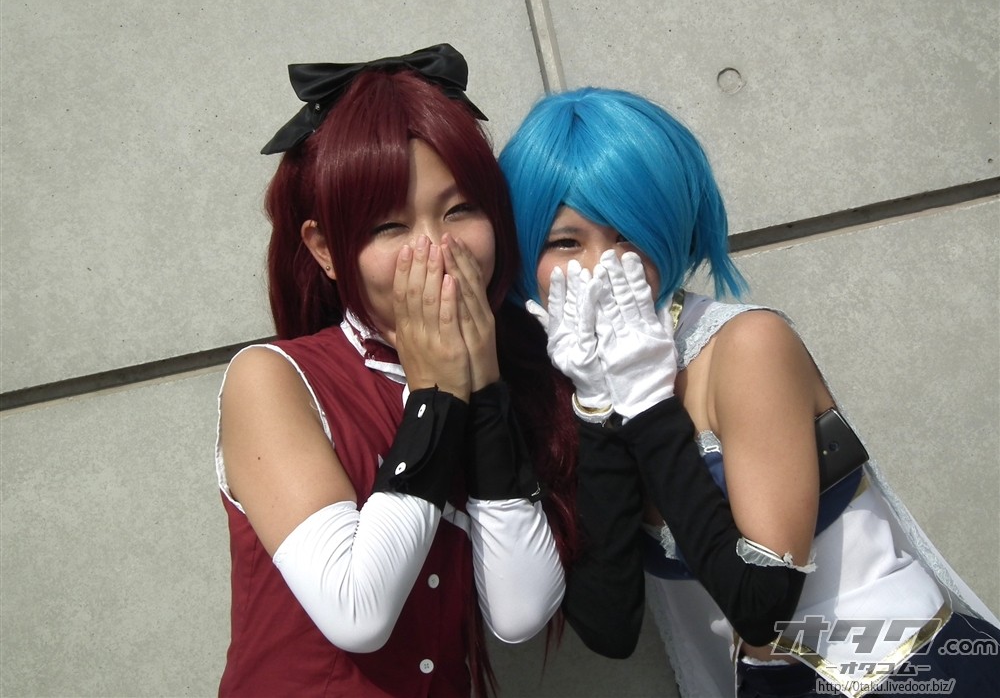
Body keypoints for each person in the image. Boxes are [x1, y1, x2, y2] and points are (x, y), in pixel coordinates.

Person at [498, 87, 1000, 698]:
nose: (602, 268)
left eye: (628, 235)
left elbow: (761, 605)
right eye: (565, 243)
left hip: (913, 676)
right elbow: (609, 625)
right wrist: (598, 407)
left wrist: (649, 408)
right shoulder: (571, 392)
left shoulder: (748, 345)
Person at [214, 44, 577, 698]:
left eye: (460, 210)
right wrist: (437, 395)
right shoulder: (270, 379)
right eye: (389, 225)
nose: (435, 249)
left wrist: (484, 391)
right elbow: (357, 611)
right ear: (325, 249)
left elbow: (520, 613)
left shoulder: (517, 374)